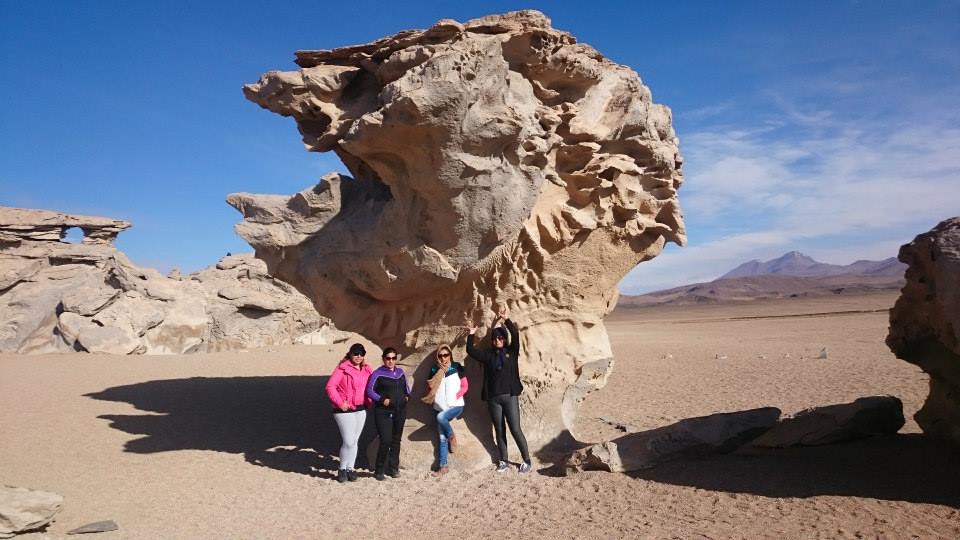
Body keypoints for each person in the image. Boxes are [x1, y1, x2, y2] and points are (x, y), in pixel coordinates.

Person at [466, 307, 532, 473]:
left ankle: (526, 460)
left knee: (515, 429)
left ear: (504, 339)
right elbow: (471, 351)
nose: (498, 340)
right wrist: (471, 334)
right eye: (495, 338)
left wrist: (506, 319)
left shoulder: (512, 351)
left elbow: (515, 334)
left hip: (510, 396)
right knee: (499, 430)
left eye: (501, 337)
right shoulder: (488, 355)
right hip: (493, 399)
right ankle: (503, 461)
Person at [325, 343, 372, 483]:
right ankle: (342, 468)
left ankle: (350, 468)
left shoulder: (366, 369)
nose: (358, 356)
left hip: (361, 409)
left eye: (361, 353)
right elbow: (330, 387)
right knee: (348, 441)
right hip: (344, 410)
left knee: (355, 441)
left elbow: (373, 385)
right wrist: (340, 403)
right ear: (350, 354)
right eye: (356, 353)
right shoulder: (342, 368)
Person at [421, 344, 469, 477]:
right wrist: (433, 398)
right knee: (442, 438)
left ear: (450, 355)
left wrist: (456, 396)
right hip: (439, 407)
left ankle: (451, 436)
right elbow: (430, 386)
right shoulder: (434, 369)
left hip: (455, 406)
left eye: (446, 355)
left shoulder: (457, 366)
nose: (443, 358)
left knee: (441, 418)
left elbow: (465, 386)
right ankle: (443, 467)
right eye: (441, 355)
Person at [366, 347, 410, 481]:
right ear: (383, 359)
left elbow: (406, 387)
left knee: (396, 440)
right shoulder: (378, 374)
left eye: (393, 358)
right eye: (388, 358)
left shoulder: (400, 372)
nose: (391, 361)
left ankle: (393, 468)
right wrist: (382, 400)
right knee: (385, 440)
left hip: (400, 411)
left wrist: (407, 396)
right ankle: (379, 470)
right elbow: (369, 391)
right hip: (383, 412)